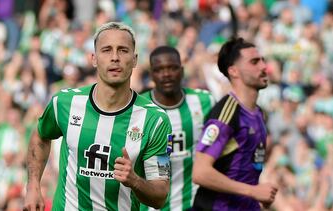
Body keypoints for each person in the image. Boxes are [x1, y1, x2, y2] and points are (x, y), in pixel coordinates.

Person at [24, 22, 172, 211]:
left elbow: (160, 195)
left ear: (134, 60)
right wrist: (33, 185)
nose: (115, 57)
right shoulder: (64, 103)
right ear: (93, 58)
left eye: (123, 50)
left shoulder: (156, 121)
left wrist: (134, 181)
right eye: (106, 50)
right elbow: (40, 136)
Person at [192, 37, 278, 210]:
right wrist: (253, 191)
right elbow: (200, 173)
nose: (263, 67)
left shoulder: (258, 113)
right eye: (254, 62)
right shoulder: (227, 113)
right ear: (234, 71)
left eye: (262, 60)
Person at [140, 46, 215, 211]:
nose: (166, 74)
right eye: (159, 69)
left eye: (172, 68)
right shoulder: (138, 107)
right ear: (151, 74)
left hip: (193, 204)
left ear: (181, 70)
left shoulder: (205, 102)